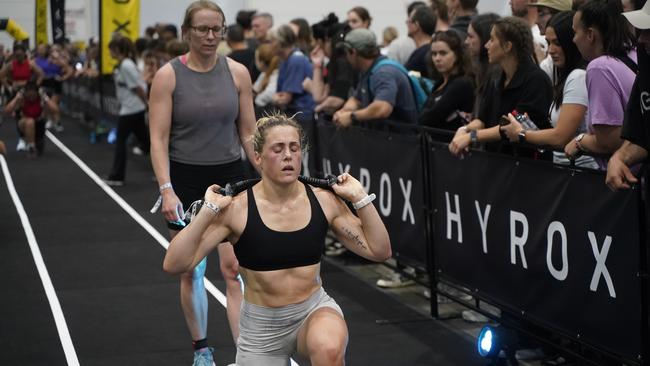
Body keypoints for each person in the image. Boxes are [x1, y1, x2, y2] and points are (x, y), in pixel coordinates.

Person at [163, 113, 392, 365]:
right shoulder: (236, 209)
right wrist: (208, 211)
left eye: (294, 148)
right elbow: (174, 264)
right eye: (278, 149)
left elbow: (380, 251)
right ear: (258, 157)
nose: (288, 156)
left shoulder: (324, 200)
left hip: (312, 311)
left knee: (328, 347)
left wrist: (360, 198)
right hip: (261, 328)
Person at [148, 1, 258, 364]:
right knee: (191, 268)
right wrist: (167, 189)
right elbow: (159, 139)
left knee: (233, 269)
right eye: (203, 29)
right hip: (185, 180)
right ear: (187, 32)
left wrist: (266, 173)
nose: (211, 36)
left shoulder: (238, 73)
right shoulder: (168, 76)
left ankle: (245, 353)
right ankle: (202, 350)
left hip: (230, 177)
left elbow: (248, 132)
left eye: (217, 29)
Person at [501, 11, 598, 168]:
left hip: (580, 172)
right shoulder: (565, 75)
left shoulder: (578, 77)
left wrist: (521, 133)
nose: (551, 50)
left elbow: (560, 137)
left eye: (557, 43)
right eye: (548, 42)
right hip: (564, 169)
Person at [449, 16, 553, 158]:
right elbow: (482, 120)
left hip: (527, 165)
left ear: (507, 46)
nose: (487, 45)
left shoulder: (536, 80)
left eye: (492, 40)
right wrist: (464, 130)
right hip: (496, 162)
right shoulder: (497, 77)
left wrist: (471, 136)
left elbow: (510, 127)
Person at [563, 0, 637, 169]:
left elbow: (609, 141)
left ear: (590, 34)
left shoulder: (600, 67)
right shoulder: (634, 53)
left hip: (626, 179)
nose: (573, 40)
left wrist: (580, 141)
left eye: (575, 32)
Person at [333, 28, 419, 126]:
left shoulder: (383, 73)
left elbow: (382, 108)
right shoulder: (367, 71)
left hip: (400, 139)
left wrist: (352, 117)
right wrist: (343, 112)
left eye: (346, 52)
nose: (346, 57)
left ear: (353, 52)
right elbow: (357, 100)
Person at [606, 1, 650, 190]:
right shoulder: (646, 64)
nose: (641, 39)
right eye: (641, 31)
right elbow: (642, 137)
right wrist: (619, 158)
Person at [103, 37, 149, 186]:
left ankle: (117, 176)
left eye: (111, 49)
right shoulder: (125, 64)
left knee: (121, 141)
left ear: (117, 50)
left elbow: (138, 88)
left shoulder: (126, 65)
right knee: (146, 142)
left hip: (131, 109)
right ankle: (167, 170)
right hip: (132, 108)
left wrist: (146, 104)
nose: (109, 52)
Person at [418, 30, 474, 129]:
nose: (437, 58)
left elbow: (429, 118)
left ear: (457, 54)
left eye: (443, 53)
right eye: (434, 54)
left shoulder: (462, 84)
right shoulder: (440, 82)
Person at [270, 25, 315, 120]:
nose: (270, 45)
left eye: (272, 41)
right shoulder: (286, 60)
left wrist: (274, 98)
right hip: (295, 114)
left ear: (281, 41)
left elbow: (285, 98)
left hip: (301, 116)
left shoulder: (295, 60)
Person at [3, 81, 57, 157]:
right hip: (24, 124)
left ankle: (34, 143)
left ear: (37, 93)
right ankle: (31, 147)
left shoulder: (41, 99)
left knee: (40, 149)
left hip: (39, 127)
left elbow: (55, 110)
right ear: (25, 93)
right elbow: (6, 112)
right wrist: (16, 98)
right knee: (30, 121)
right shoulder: (22, 99)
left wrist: (45, 98)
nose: (31, 97)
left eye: (33, 95)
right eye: (29, 95)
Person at [35, 43, 73, 132]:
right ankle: (50, 120)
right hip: (44, 84)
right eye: (39, 49)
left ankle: (57, 122)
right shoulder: (38, 60)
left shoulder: (58, 60)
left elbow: (70, 70)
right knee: (46, 105)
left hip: (55, 84)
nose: (53, 52)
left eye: (55, 51)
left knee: (53, 104)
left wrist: (63, 78)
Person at [405, 5, 437, 77]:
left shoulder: (420, 56)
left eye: (409, 21)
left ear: (416, 25)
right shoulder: (431, 49)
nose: (407, 24)